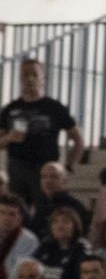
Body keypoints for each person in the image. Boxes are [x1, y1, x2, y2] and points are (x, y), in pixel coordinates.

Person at [1, 59, 84, 200]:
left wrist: (68, 166)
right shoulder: (9, 109)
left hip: (46, 168)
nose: (30, 79)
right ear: (20, 78)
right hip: (17, 167)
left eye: (34, 74)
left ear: (43, 77)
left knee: (45, 208)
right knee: (17, 208)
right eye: (25, 74)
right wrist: (9, 138)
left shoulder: (54, 107)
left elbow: (78, 139)